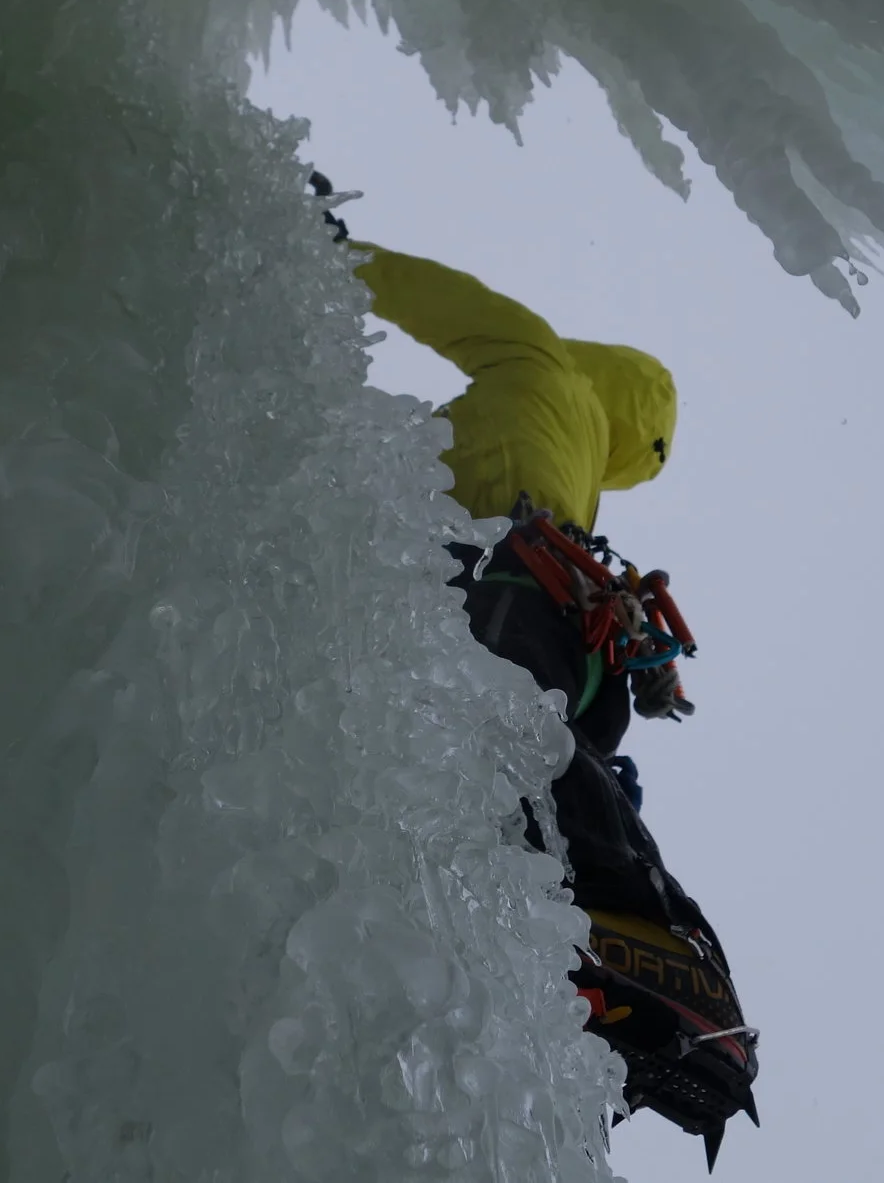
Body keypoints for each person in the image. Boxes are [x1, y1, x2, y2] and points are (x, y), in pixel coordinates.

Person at [338, 211, 760, 1169]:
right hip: (580, 629)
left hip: (500, 570)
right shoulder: (589, 481)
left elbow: (433, 296)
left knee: (499, 733)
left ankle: (638, 937)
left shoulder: (540, 362)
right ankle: (631, 945)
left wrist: (326, 244)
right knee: (554, 764)